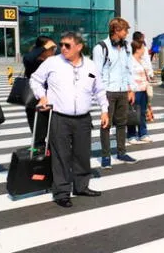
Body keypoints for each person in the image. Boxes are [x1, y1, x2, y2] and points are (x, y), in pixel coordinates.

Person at [30, 32, 109, 208]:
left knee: (82, 154)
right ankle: (62, 192)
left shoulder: (90, 65)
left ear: (79, 47)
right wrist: (42, 96)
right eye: (61, 44)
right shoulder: (52, 62)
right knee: (61, 156)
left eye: (67, 45)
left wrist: (104, 110)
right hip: (59, 117)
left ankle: (81, 186)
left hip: (83, 118)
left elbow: (99, 89)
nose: (62, 48)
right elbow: (35, 80)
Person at [93, 17, 138, 169]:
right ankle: (105, 156)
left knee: (122, 123)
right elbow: (97, 74)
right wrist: (100, 95)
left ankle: (121, 152)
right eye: (125, 30)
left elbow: (129, 69)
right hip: (108, 91)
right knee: (106, 124)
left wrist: (130, 89)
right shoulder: (101, 48)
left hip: (123, 90)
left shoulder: (126, 47)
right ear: (117, 30)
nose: (127, 33)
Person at [23, 36, 57, 134]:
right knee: (39, 134)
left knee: (54, 134)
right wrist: (44, 48)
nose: (53, 50)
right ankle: (40, 148)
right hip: (35, 101)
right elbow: (29, 58)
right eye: (51, 48)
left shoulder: (53, 61)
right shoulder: (32, 60)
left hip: (52, 101)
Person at [127, 40, 153, 144]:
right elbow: (127, 76)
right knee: (133, 113)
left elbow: (149, 72)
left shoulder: (143, 60)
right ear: (137, 49)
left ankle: (143, 133)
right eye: (143, 47)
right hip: (134, 90)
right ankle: (131, 135)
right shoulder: (129, 60)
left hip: (144, 89)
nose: (144, 50)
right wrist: (129, 90)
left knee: (142, 112)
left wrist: (150, 75)